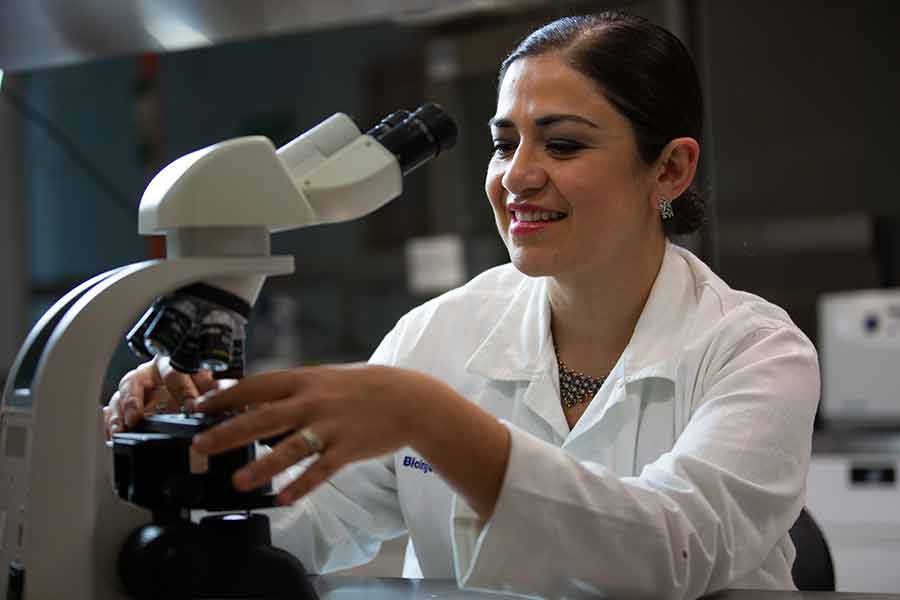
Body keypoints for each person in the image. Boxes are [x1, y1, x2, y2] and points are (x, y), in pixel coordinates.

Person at [104, 11, 819, 599]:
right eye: (504, 144)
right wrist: (191, 451)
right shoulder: (437, 334)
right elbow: (306, 515)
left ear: (670, 168)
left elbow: (674, 551)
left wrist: (432, 419)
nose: (517, 177)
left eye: (563, 145)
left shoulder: (755, 350)